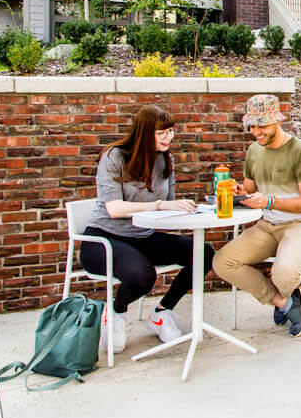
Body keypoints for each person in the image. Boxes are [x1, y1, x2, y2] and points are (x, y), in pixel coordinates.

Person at [80, 105, 212, 354]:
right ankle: (116, 311)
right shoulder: (115, 156)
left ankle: (162, 313)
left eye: (171, 132)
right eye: (162, 133)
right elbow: (115, 209)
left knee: (202, 253)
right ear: (144, 133)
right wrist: (161, 205)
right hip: (103, 240)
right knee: (143, 276)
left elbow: (167, 208)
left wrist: (187, 210)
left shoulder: (165, 159)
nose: (169, 138)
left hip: (143, 237)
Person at [212, 94, 301, 337]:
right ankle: (283, 302)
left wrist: (270, 200)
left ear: (276, 122)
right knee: (222, 262)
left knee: (283, 274)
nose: (256, 132)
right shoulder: (254, 151)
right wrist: (240, 192)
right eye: (252, 126)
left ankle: (287, 290)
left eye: (261, 125)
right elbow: (251, 190)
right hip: (267, 225)